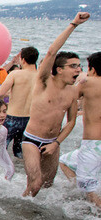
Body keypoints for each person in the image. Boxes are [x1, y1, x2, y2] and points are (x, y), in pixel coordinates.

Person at [22, 12, 89, 197]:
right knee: (35, 184)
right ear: (59, 70)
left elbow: (71, 122)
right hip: (31, 140)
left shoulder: (73, 91)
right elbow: (52, 51)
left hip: (53, 142)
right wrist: (73, 24)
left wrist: (56, 143)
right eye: (73, 66)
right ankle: (20, 217)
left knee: (47, 187)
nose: (78, 69)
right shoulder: (43, 82)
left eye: (79, 66)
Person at [59, 52, 101, 209]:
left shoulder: (88, 82)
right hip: (94, 147)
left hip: (93, 145)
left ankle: (93, 204)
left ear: (94, 70)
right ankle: (83, 195)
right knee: (65, 161)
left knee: (90, 191)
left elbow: (69, 96)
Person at [0, 46, 39, 158]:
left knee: (0, 150)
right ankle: (21, 173)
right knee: (20, 152)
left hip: (12, 118)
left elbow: (0, 94)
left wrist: (7, 98)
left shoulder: (15, 74)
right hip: (30, 119)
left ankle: (2, 174)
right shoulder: (40, 76)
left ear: (23, 60)